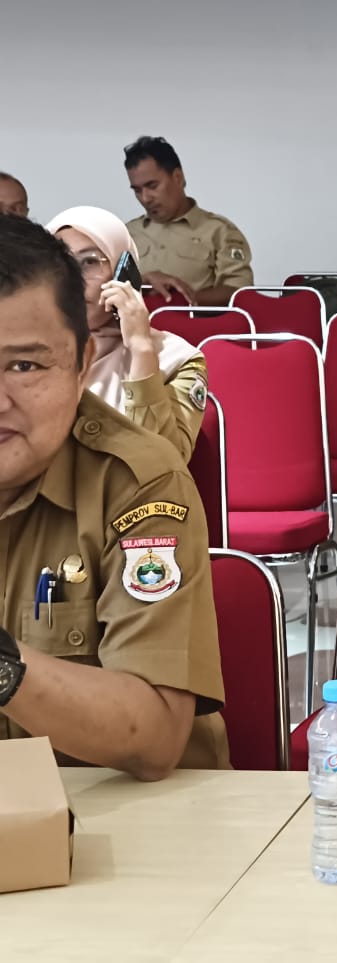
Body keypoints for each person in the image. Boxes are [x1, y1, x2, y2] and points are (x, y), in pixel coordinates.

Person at [0, 214, 227, 777]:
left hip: (121, 808)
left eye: (24, 365)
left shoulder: (139, 482)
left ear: (82, 365)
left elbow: (153, 735)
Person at [47, 207, 207, 461]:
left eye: (89, 262)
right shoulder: (21, 351)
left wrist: (141, 350)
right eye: (60, 263)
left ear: (123, 274)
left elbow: (163, 462)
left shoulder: (176, 359)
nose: (73, 279)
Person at [123, 136, 254, 306]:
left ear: (178, 177)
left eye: (152, 186)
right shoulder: (125, 235)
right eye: (137, 190)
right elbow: (102, 289)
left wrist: (180, 300)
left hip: (195, 322)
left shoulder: (219, 231)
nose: (145, 198)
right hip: (135, 322)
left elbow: (240, 292)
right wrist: (144, 280)